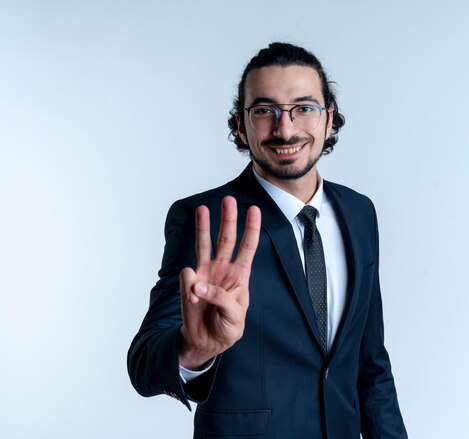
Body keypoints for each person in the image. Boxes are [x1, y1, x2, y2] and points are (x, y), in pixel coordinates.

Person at [128, 42, 408, 438]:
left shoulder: (360, 213)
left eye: (304, 108)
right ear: (240, 125)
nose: (285, 129)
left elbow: (371, 364)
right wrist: (196, 350)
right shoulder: (204, 220)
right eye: (264, 111)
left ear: (329, 119)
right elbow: (142, 366)